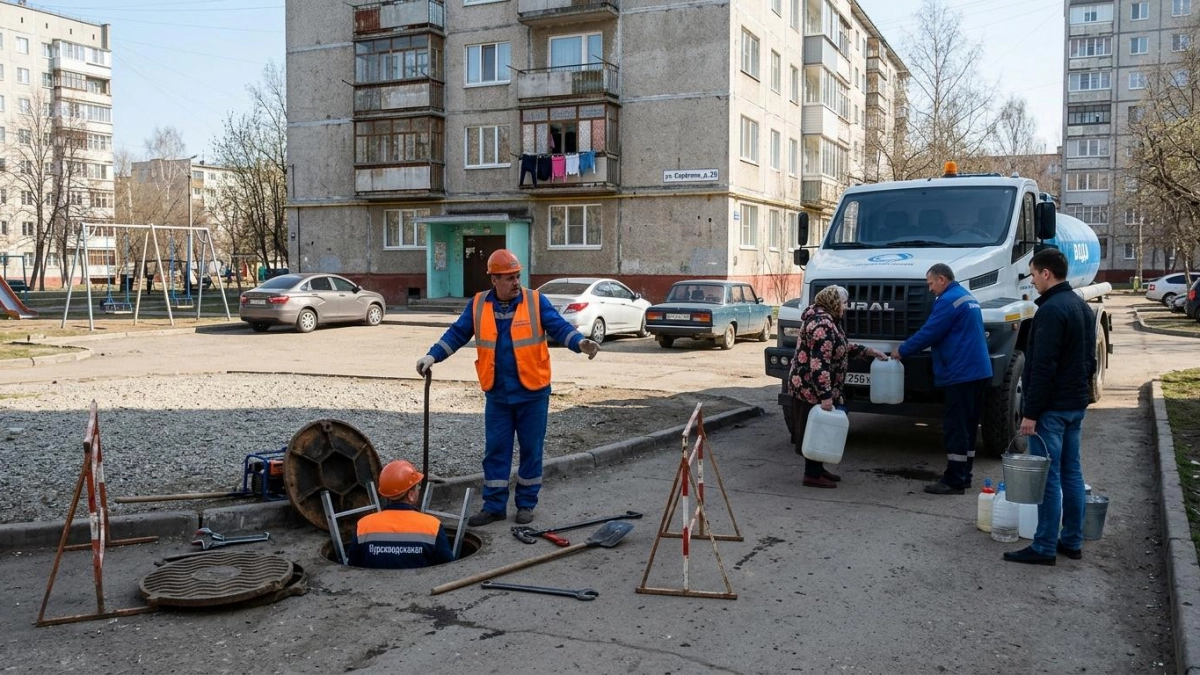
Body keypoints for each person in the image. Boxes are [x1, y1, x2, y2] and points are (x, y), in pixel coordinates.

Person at [415, 249, 600, 527]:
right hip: (498, 395)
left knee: (531, 450)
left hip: (533, 393)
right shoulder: (478, 305)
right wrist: (432, 356)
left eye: (517, 276)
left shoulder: (536, 301)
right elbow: (457, 333)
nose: (515, 282)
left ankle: (526, 504)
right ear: (494, 280)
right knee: (496, 451)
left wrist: (580, 343)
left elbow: (559, 328)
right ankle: (494, 506)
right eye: (509, 278)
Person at [1003, 248, 1096, 566]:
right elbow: (1089, 360)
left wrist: (1030, 414)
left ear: (1046, 273)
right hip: (1074, 405)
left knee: (1049, 476)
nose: (1031, 280)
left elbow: (1042, 367)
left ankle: (1043, 546)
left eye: (1032, 273)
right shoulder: (1081, 306)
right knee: (1072, 472)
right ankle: (1071, 541)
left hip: (1052, 409)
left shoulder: (1051, 311)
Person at [891, 263, 992, 495]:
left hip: (961, 372)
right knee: (967, 425)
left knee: (956, 426)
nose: (930, 289)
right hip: (979, 371)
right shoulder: (966, 296)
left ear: (942, 279)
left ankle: (954, 480)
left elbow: (930, 331)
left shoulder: (947, 301)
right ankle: (964, 474)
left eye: (931, 283)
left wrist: (902, 350)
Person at [787, 285, 888, 488]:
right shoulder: (822, 325)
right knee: (815, 428)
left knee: (819, 427)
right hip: (811, 387)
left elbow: (840, 346)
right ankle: (812, 475)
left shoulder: (827, 320)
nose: (847, 306)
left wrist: (867, 351)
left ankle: (818, 469)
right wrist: (825, 396)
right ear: (833, 303)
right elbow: (818, 364)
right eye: (843, 302)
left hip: (815, 386)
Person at [346, 460, 455, 569]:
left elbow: (354, 567)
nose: (419, 490)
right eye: (417, 487)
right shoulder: (432, 526)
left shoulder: (363, 525)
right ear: (411, 495)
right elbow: (446, 568)